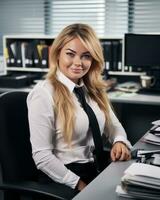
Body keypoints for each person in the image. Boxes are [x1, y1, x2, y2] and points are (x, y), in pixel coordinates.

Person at [27, 23, 132, 192]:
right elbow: (42, 157)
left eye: (86, 56)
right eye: (70, 54)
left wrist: (119, 141)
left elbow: (114, 126)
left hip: (95, 168)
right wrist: (80, 185)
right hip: (63, 177)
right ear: (58, 53)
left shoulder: (92, 90)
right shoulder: (44, 93)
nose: (78, 63)